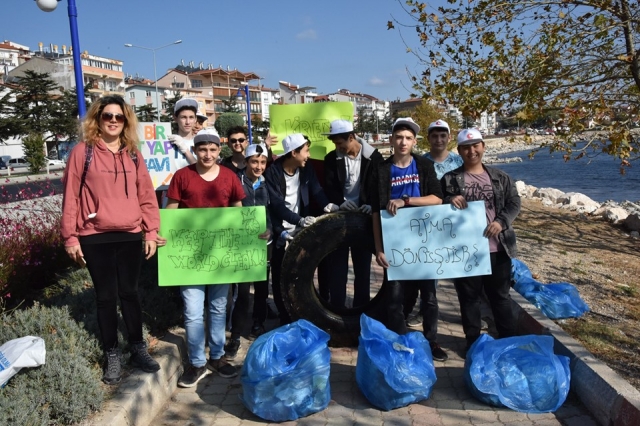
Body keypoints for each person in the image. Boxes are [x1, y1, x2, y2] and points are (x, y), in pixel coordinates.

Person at [60, 95, 161, 385]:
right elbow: (71, 198)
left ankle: (138, 348)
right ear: (98, 119)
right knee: (105, 297)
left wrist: (151, 231)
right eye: (108, 116)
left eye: (119, 116)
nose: (113, 121)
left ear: (126, 121)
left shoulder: (133, 153)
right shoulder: (83, 152)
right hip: (95, 236)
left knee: (130, 293)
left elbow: (146, 195)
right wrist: (70, 237)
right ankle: (112, 355)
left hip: (129, 234)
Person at [166, 129, 246, 387]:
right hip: (189, 256)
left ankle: (218, 357)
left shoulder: (230, 177)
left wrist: (252, 232)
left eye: (212, 150)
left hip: (220, 255)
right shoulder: (182, 176)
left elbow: (238, 213)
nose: (208, 154)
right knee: (192, 311)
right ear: (196, 150)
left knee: (219, 307)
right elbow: (171, 212)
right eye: (202, 149)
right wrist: (164, 235)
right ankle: (197, 362)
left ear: (219, 151)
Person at [370, 117, 447, 361]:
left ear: (414, 141)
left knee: (430, 297)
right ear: (392, 140)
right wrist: (379, 249)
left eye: (408, 138)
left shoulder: (423, 165)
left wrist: (406, 200)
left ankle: (432, 341)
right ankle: (400, 341)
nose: (403, 142)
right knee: (395, 297)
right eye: (399, 137)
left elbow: (437, 198)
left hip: (424, 241)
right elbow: (375, 212)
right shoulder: (381, 169)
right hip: (395, 243)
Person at [441, 128, 521, 352]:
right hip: (466, 251)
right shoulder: (449, 179)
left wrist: (501, 222)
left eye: (476, 145)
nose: (471, 150)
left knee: (501, 298)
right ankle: (473, 343)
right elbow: (436, 204)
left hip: (498, 248)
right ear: (459, 151)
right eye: (466, 147)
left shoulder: (500, 177)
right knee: (469, 299)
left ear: (483, 147)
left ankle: (508, 343)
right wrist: (448, 198)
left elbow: (514, 203)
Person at [265, 133, 339, 325]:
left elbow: (316, 190)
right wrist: (298, 220)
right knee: (281, 273)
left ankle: (301, 312)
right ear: (293, 152)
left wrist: (328, 206)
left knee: (300, 272)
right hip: (281, 228)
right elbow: (277, 206)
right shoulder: (273, 172)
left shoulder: (306, 169)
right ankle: (284, 317)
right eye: (305, 151)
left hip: (300, 227)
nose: (308, 155)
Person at [405, 119, 463, 326]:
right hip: (428, 226)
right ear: (428, 138)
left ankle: (468, 314)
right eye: (434, 136)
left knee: (461, 270)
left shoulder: (459, 162)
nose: (439, 139)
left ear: (449, 137)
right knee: (429, 273)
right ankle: (424, 311)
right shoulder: (420, 163)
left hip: (455, 225)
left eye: (443, 135)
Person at [322, 119, 383, 308]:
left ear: (351, 137)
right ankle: (337, 307)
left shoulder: (374, 157)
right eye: (335, 144)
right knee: (337, 266)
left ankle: (360, 309)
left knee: (362, 268)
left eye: (340, 143)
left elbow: (379, 186)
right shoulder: (331, 159)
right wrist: (340, 203)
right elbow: (329, 186)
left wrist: (370, 205)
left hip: (363, 220)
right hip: (340, 219)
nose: (337, 147)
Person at [224, 144, 273, 359]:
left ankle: (258, 324)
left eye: (262, 162)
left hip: (264, 245)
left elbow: (271, 212)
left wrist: (270, 229)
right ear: (246, 162)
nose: (259, 166)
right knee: (243, 292)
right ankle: (235, 335)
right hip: (242, 246)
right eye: (254, 162)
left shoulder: (267, 183)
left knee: (262, 289)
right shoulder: (235, 181)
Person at [167, 98, 198, 169]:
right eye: (183, 117)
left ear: (195, 119)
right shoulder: (167, 142)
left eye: (191, 117)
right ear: (175, 118)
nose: (187, 122)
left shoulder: (200, 142)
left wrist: (186, 150)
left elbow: (203, 170)